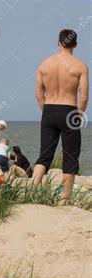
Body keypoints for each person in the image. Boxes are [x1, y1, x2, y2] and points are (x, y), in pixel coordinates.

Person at [32, 29, 88, 199]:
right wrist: (78, 115)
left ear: (58, 43)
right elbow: (84, 97)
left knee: (45, 155)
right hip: (69, 110)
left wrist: (46, 111)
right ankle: (66, 199)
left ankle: (33, 192)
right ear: (75, 45)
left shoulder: (44, 64)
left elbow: (38, 94)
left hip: (49, 110)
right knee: (70, 156)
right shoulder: (80, 66)